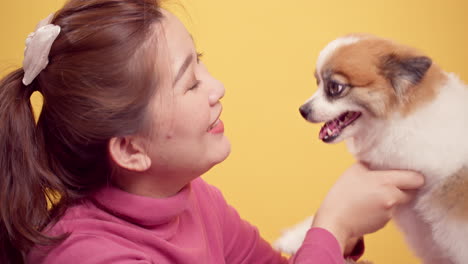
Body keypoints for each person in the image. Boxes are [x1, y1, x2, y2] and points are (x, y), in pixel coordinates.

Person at [0, 0, 424, 263]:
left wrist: (341, 234)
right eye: (190, 82)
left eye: (199, 60)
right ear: (130, 149)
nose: (217, 87)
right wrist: (332, 226)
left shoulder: (194, 199)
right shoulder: (90, 257)